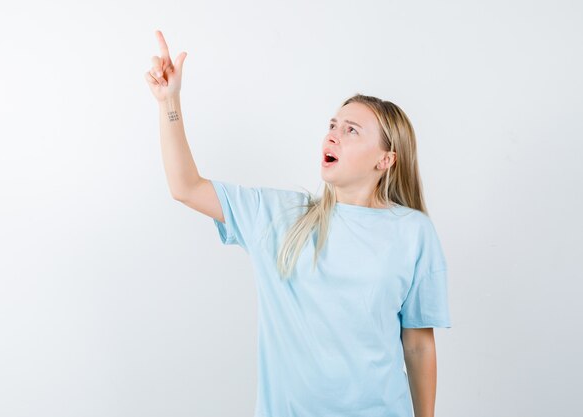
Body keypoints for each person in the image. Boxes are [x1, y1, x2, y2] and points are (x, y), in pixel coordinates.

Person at [145, 29, 452, 417]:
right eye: (333, 125)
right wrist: (169, 102)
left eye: (351, 130)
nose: (333, 135)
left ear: (385, 160)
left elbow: (419, 344)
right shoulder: (277, 215)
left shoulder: (413, 232)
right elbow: (185, 187)